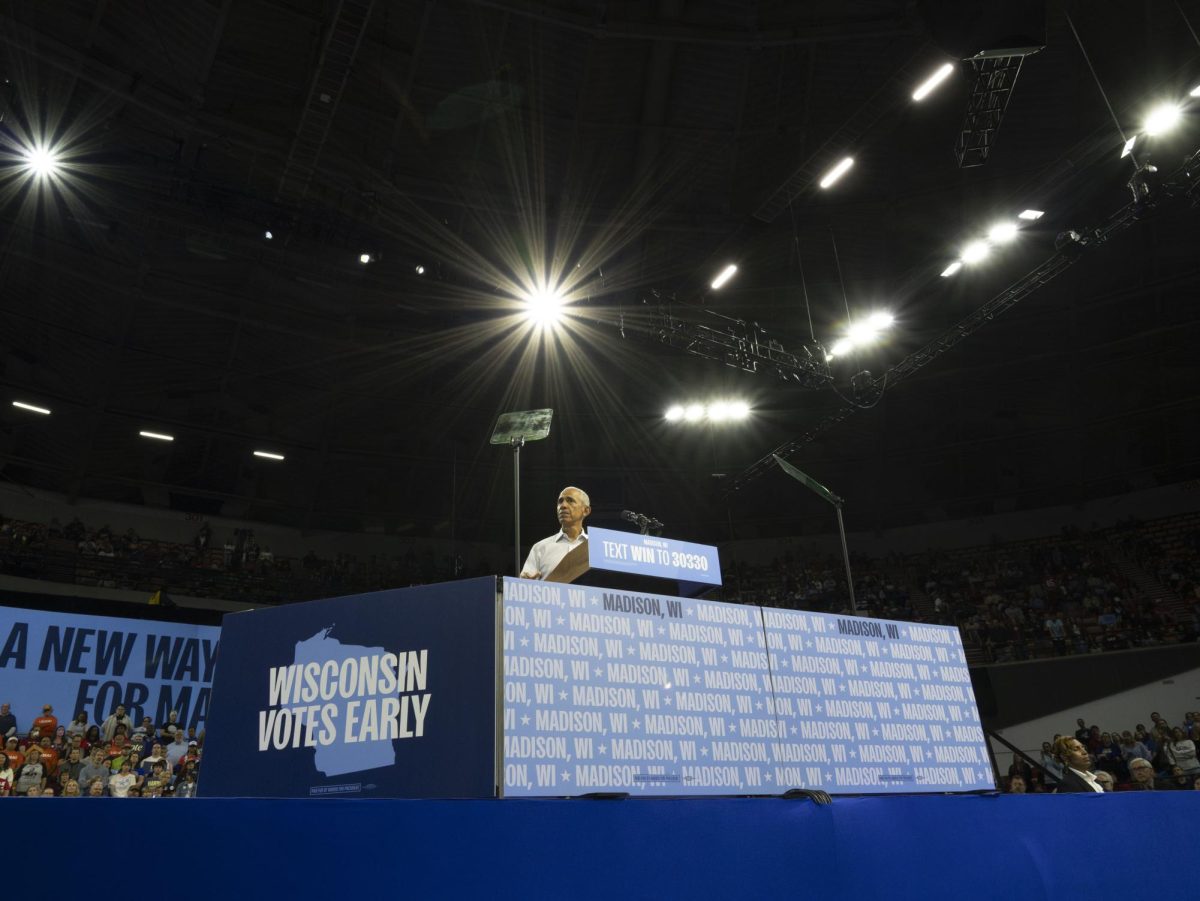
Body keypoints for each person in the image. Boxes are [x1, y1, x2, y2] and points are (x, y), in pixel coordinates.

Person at [520, 486, 591, 580]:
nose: (563, 505)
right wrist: (525, 582)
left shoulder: (596, 547)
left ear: (586, 511)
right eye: (560, 501)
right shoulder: (540, 548)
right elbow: (525, 585)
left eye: (570, 500)